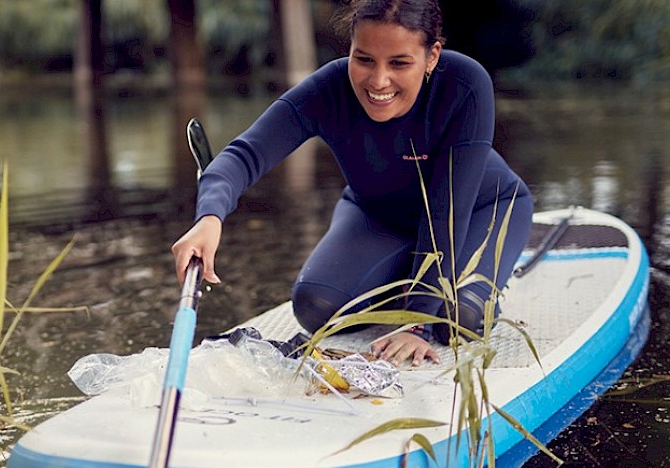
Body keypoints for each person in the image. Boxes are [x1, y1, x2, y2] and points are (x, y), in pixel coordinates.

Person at [171, 0, 533, 367]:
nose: (378, 81)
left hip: (479, 210)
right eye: (364, 60)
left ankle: (468, 287)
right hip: (378, 214)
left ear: (433, 55)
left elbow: (447, 212)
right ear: (349, 50)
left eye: (399, 63)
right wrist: (209, 218)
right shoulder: (328, 89)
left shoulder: (464, 86)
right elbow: (244, 154)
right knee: (316, 308)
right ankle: (401, 277)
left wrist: (418, 322)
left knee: (458, 321)